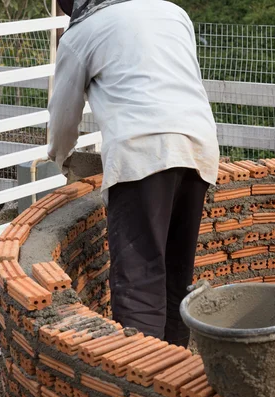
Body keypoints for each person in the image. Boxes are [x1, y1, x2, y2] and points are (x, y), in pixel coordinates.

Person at [47, 0, 219, 347]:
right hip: (198, 149)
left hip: (142, 156)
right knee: (176, 274)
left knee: (139, 281)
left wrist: (62, 159)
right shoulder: (172, 12)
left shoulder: (81, 34)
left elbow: (64, 114)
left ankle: (143, 387)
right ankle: (174, 372)